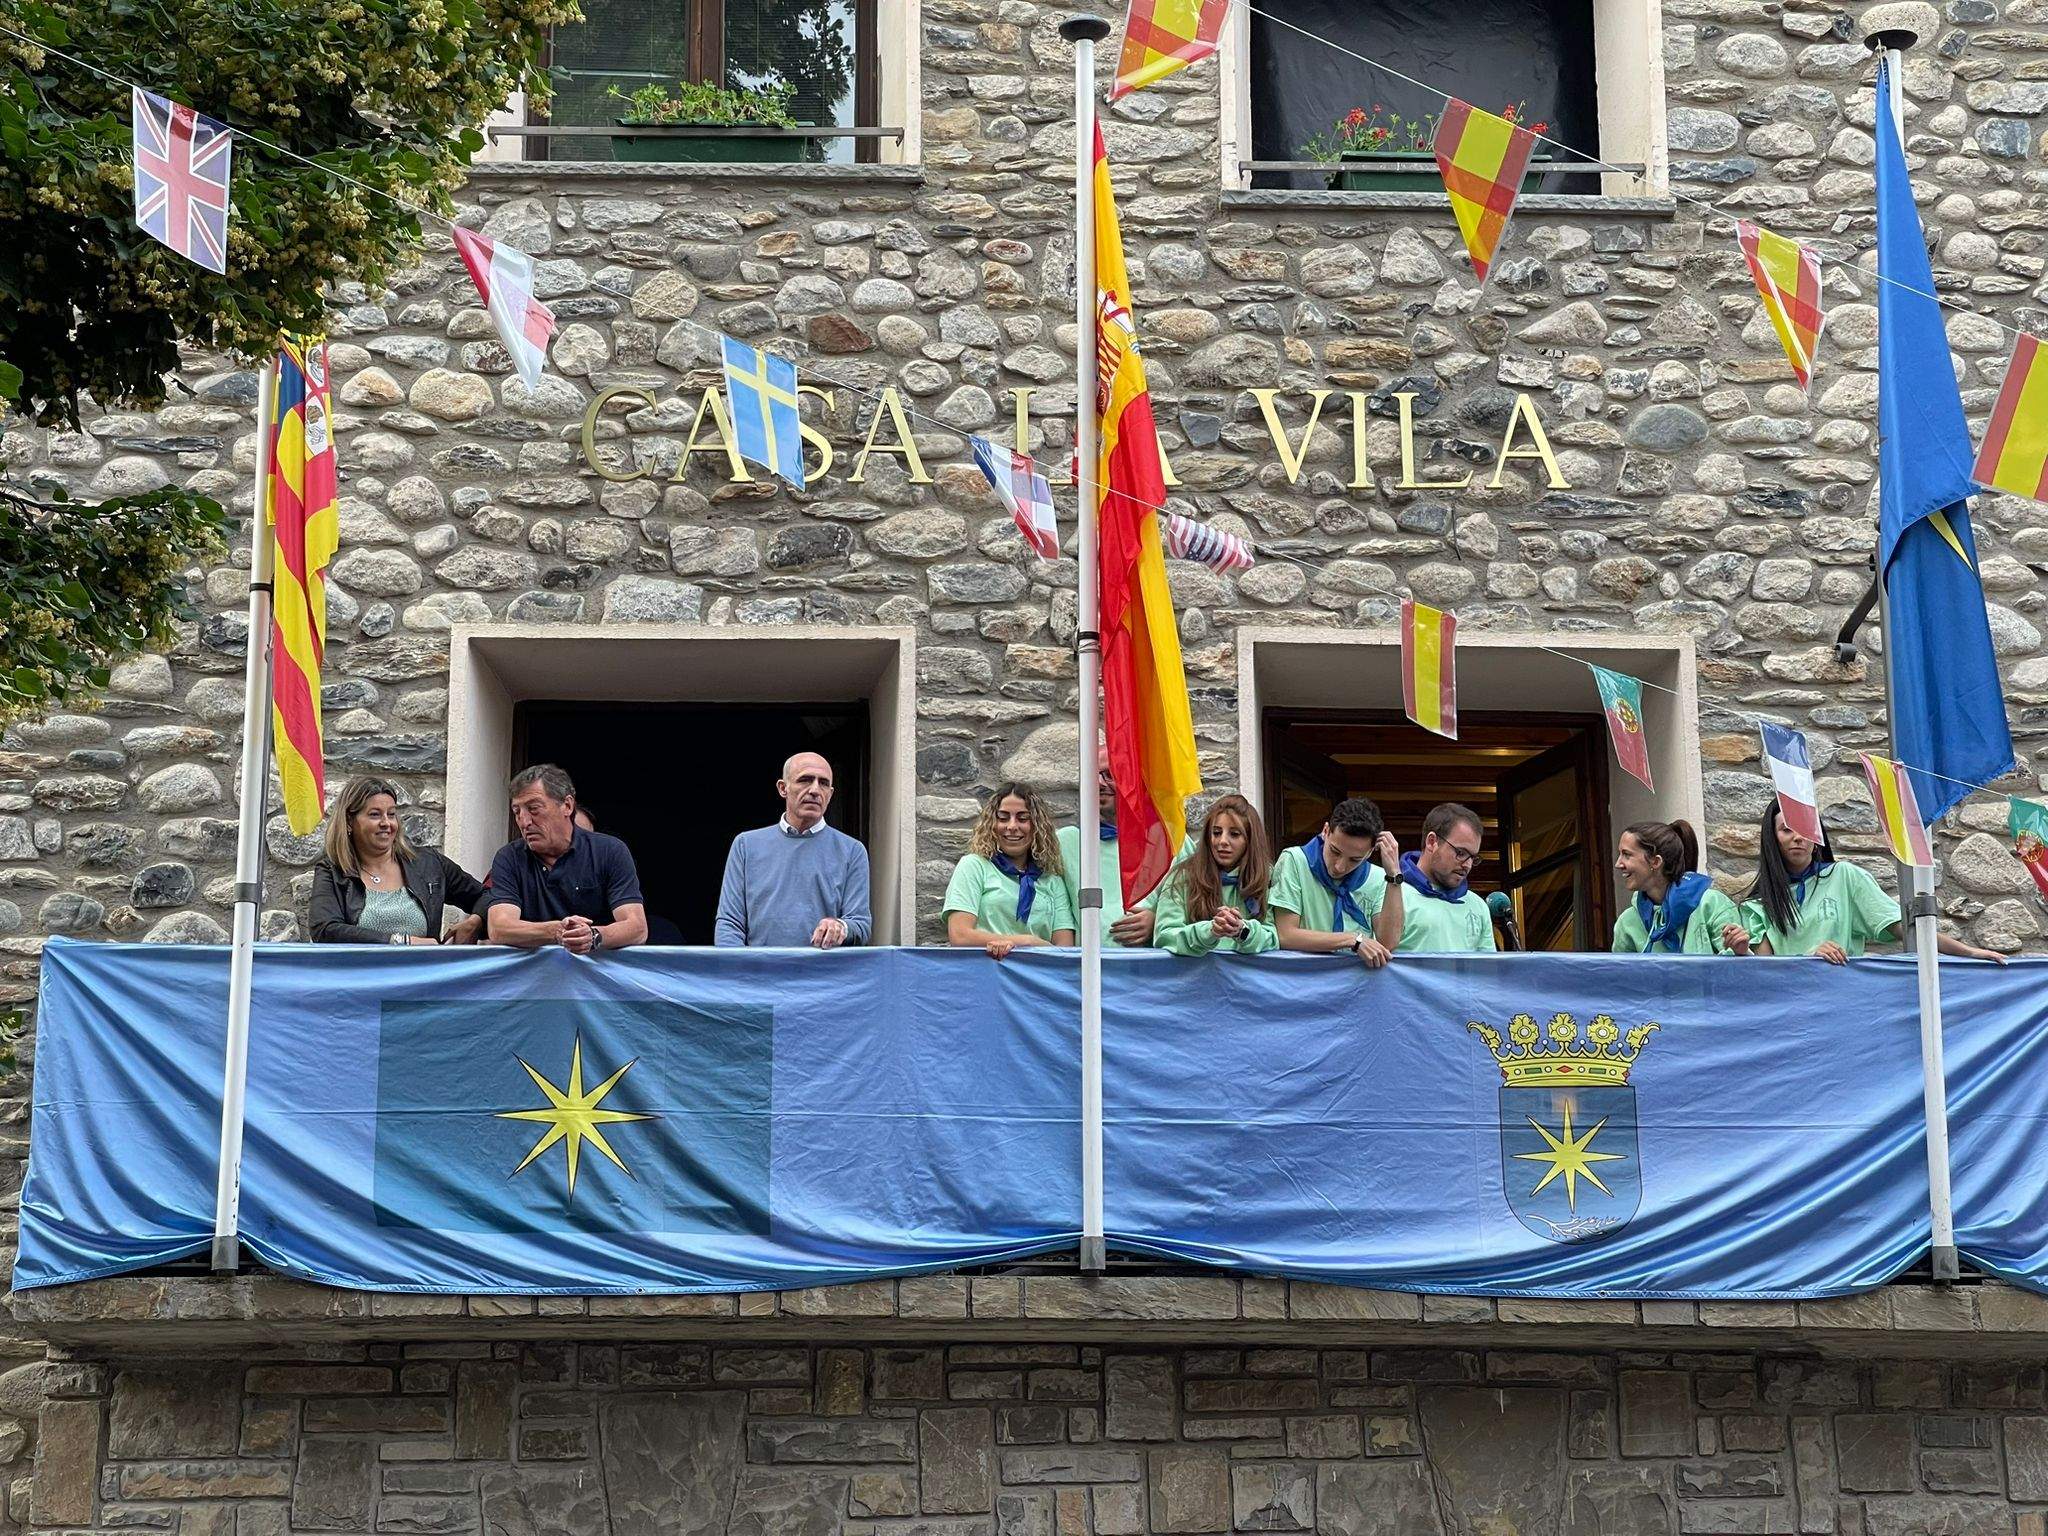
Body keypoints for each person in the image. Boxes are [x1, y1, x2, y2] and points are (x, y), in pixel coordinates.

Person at [1727, 804, 2006, 964]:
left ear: (1817, 837)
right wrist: (1743, 951)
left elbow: (1905, 929)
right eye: (1786, 829)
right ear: (1771, 839)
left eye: (1805, 829)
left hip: (1842, 1006)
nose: (1797, 838)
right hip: (1790, 1014)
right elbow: (1765, 972)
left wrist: (1969, 952)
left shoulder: (1845, 877)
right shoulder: (1758, 905)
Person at [714, 751, 872, 949]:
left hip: (823, 975)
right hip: (760, 976)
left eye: (823, 783)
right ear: (783, 788)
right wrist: (739, 972)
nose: (815, 790)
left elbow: (861, 925)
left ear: (830, 794)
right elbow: (729, 924)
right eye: (805, 780)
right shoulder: (746, 846)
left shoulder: (852, 851)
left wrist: (840, 926)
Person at [485, 764, 648, 953]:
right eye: (517, 812)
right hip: (534, 977)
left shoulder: (610, 851)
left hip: (597, 975)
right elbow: (499, 928)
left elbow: (637, 928)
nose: (524, 821)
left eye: (534, 809)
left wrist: (593, 935)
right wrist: (556, 931)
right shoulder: (509, 858)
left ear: (567, 806)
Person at [308, 775, 486, 945]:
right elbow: (325, 930)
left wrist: (474, 923)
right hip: (360, 975)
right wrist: (401, 941)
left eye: (391, 814)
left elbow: (488, 897)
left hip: (425, 975)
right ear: (349, 821)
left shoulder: (428, 863)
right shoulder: (332, 871)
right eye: (375, 815)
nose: (387, 823)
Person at [1056, 747, 1188, 948]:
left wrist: (1158, 921)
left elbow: (1198, 901)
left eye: (1110, 775)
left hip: (1152, 970)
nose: (1099, 784)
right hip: (1088, 972)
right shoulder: (1066, 842)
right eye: (1093, 775)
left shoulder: (1172, 839)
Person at [944, 782, 1077, 958]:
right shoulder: (974, 866)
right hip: (984, 974)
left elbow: (1065, 948)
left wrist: (1025, 943)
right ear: (992, 823)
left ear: (1037, 826)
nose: (1012, 826)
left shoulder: (1052, 881)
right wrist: (1026, 942)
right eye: (1003, 817)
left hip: (1037, 979)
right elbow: (960, 936)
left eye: (1023, 818)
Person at [1270, 796, 1404, 967]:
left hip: (1355, 987)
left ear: (1370, 852)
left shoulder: (1379, 878)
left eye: (1354, 860)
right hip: (1302, 983)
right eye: (1335, 851)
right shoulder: (1295, 860)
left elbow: (1388, 943)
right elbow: (1285, 935)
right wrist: (1351, 939)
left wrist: (1394, 875)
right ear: (1325, 831)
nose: (1340, 867)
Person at [1153, 793, 1277, 956]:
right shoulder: (1182, 876)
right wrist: (1209, 931)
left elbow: (1274, 938)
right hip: (1195, 978)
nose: (1222, 841)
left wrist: (1242, 930)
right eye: (1217, 833)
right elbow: (1165, 936)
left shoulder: (1265, 876)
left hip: (1246, 979)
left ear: (1250, 840)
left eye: (1234, 834)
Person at [1611, 819, 1744, 954]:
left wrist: (1739, 951)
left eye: (1626, 855)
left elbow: (1735, 969)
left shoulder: (1711, 905)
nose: (1618, 864)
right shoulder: (1627, 922)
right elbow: (1622, 973)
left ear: (1656, 862)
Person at [1393, 803, 1499, 954]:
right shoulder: (1391, 893)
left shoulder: (1478, 906)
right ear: (1431, 842)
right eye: (1461, 853)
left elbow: (1487, 973)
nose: (1468, 865)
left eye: (1473, 858)